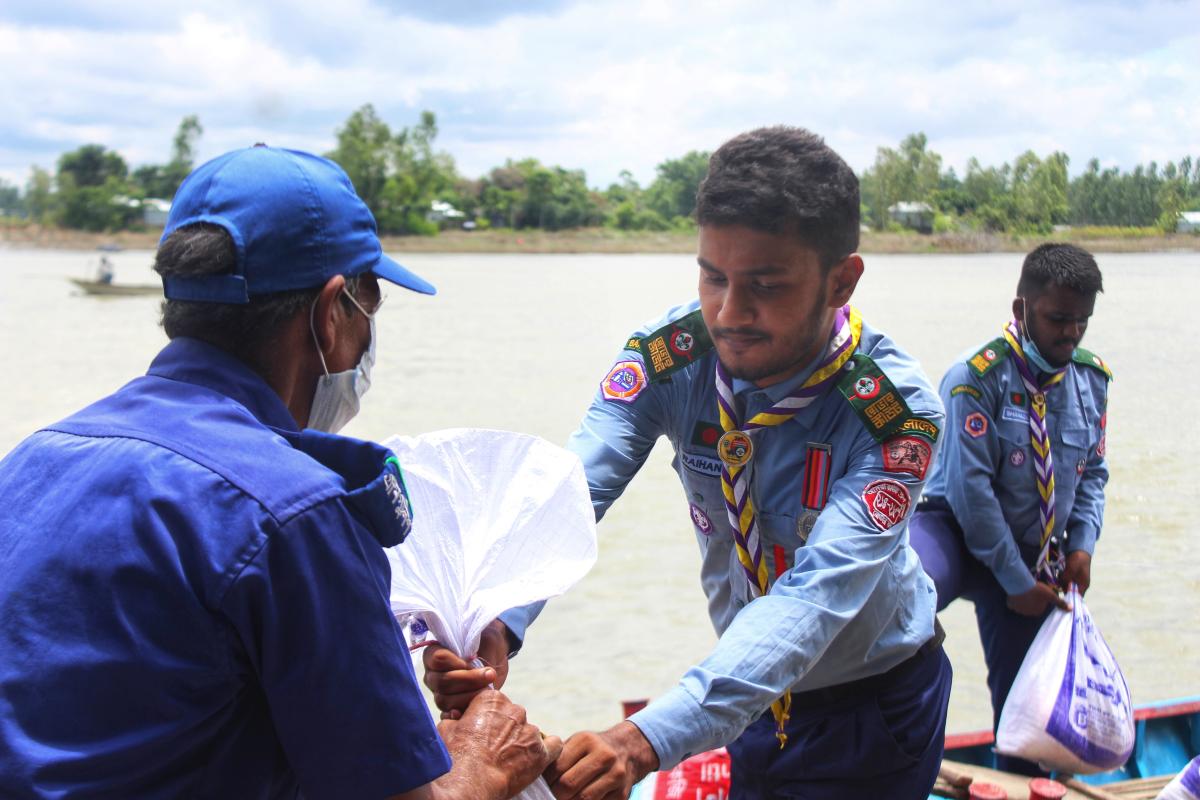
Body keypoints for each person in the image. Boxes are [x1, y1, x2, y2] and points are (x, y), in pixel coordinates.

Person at [0, 145, 560, 799]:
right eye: (369, 309)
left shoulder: (31, 464)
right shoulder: (296, 514)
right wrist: (484, 763)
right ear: (331, 315)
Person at [425, 127, 952, 799]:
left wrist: (644, 739)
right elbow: (573, 492)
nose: (729, 313)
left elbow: (815, 600)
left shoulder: (895, 415)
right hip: (742, 697)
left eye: (765, 284)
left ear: (840, 280)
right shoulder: (667, 360)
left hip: (872, 706)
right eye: (713, 276)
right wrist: (496, 618)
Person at [908, 243, 1110, 776]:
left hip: (1031, 552)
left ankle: (1018, 780)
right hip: (952, 531)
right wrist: (1014, 581)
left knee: (1027, 716)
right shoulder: (975, 377)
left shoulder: (1091, 383)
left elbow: (1091, 476)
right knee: (902, 603)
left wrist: (1082, 547)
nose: (1069, 334)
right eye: (1058, 319)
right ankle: (893, 754)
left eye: (1081, 322)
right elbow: (972, 495)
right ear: (1021, 310)